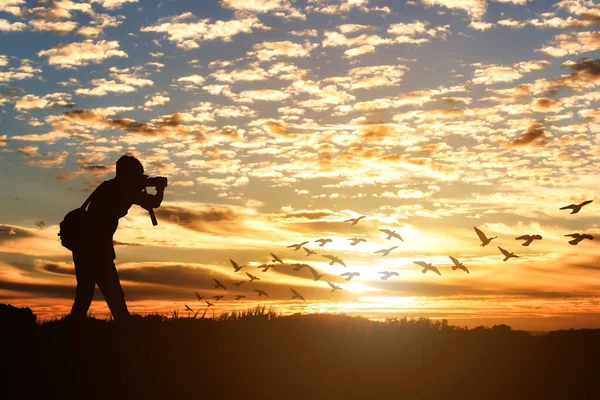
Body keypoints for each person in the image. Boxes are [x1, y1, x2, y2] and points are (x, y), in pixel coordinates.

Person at [69, 155, 166, 321]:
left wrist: (150, 186)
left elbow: (147, 201)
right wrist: (160, 188)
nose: (139, 178)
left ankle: (74, 328)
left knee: (86, 291)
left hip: (85, 246)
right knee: (110, 292)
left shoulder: (111, 187)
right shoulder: (122, 189)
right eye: (137, 174)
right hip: (96, 247)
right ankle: (123, 327)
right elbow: (152, 203)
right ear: (127, 174)